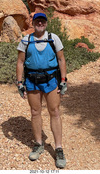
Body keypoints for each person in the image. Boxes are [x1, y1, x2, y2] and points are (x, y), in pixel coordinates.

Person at [16, 12, 67, 169]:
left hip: (51, 80)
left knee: (55, 112)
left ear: (46, 23)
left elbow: (61, 59)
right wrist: (19, 83)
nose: (40, 23)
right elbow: (20, 61)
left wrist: (64, 80)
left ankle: (58, 148)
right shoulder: (26, 40)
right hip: (32, 81)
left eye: (42, 21)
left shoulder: (53, 38)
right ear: (33, 23)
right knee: (35, 112)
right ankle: (39, 144)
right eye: (37, 21)